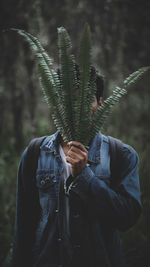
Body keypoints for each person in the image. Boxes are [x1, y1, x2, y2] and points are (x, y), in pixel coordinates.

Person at [12, 66, 142, 267]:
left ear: (99, 103)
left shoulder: (121, 155)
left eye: (85, 99)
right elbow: (24, 226)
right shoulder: (35, 153)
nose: (76, 108)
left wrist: (85, 177)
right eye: (68, 100)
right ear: (56, 105)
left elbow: (127, 217)